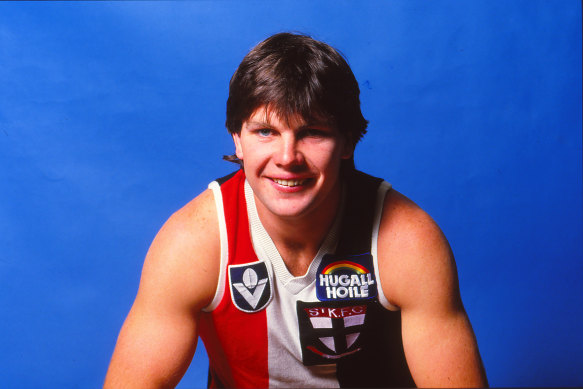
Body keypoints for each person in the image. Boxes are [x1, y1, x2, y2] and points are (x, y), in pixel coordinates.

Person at [104, 32, 488, 388]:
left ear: (348, 141)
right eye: (266, 132)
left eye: (313, 132)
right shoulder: (195, 242)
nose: (287, 158)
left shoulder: (406, 241)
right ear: (237, 139)